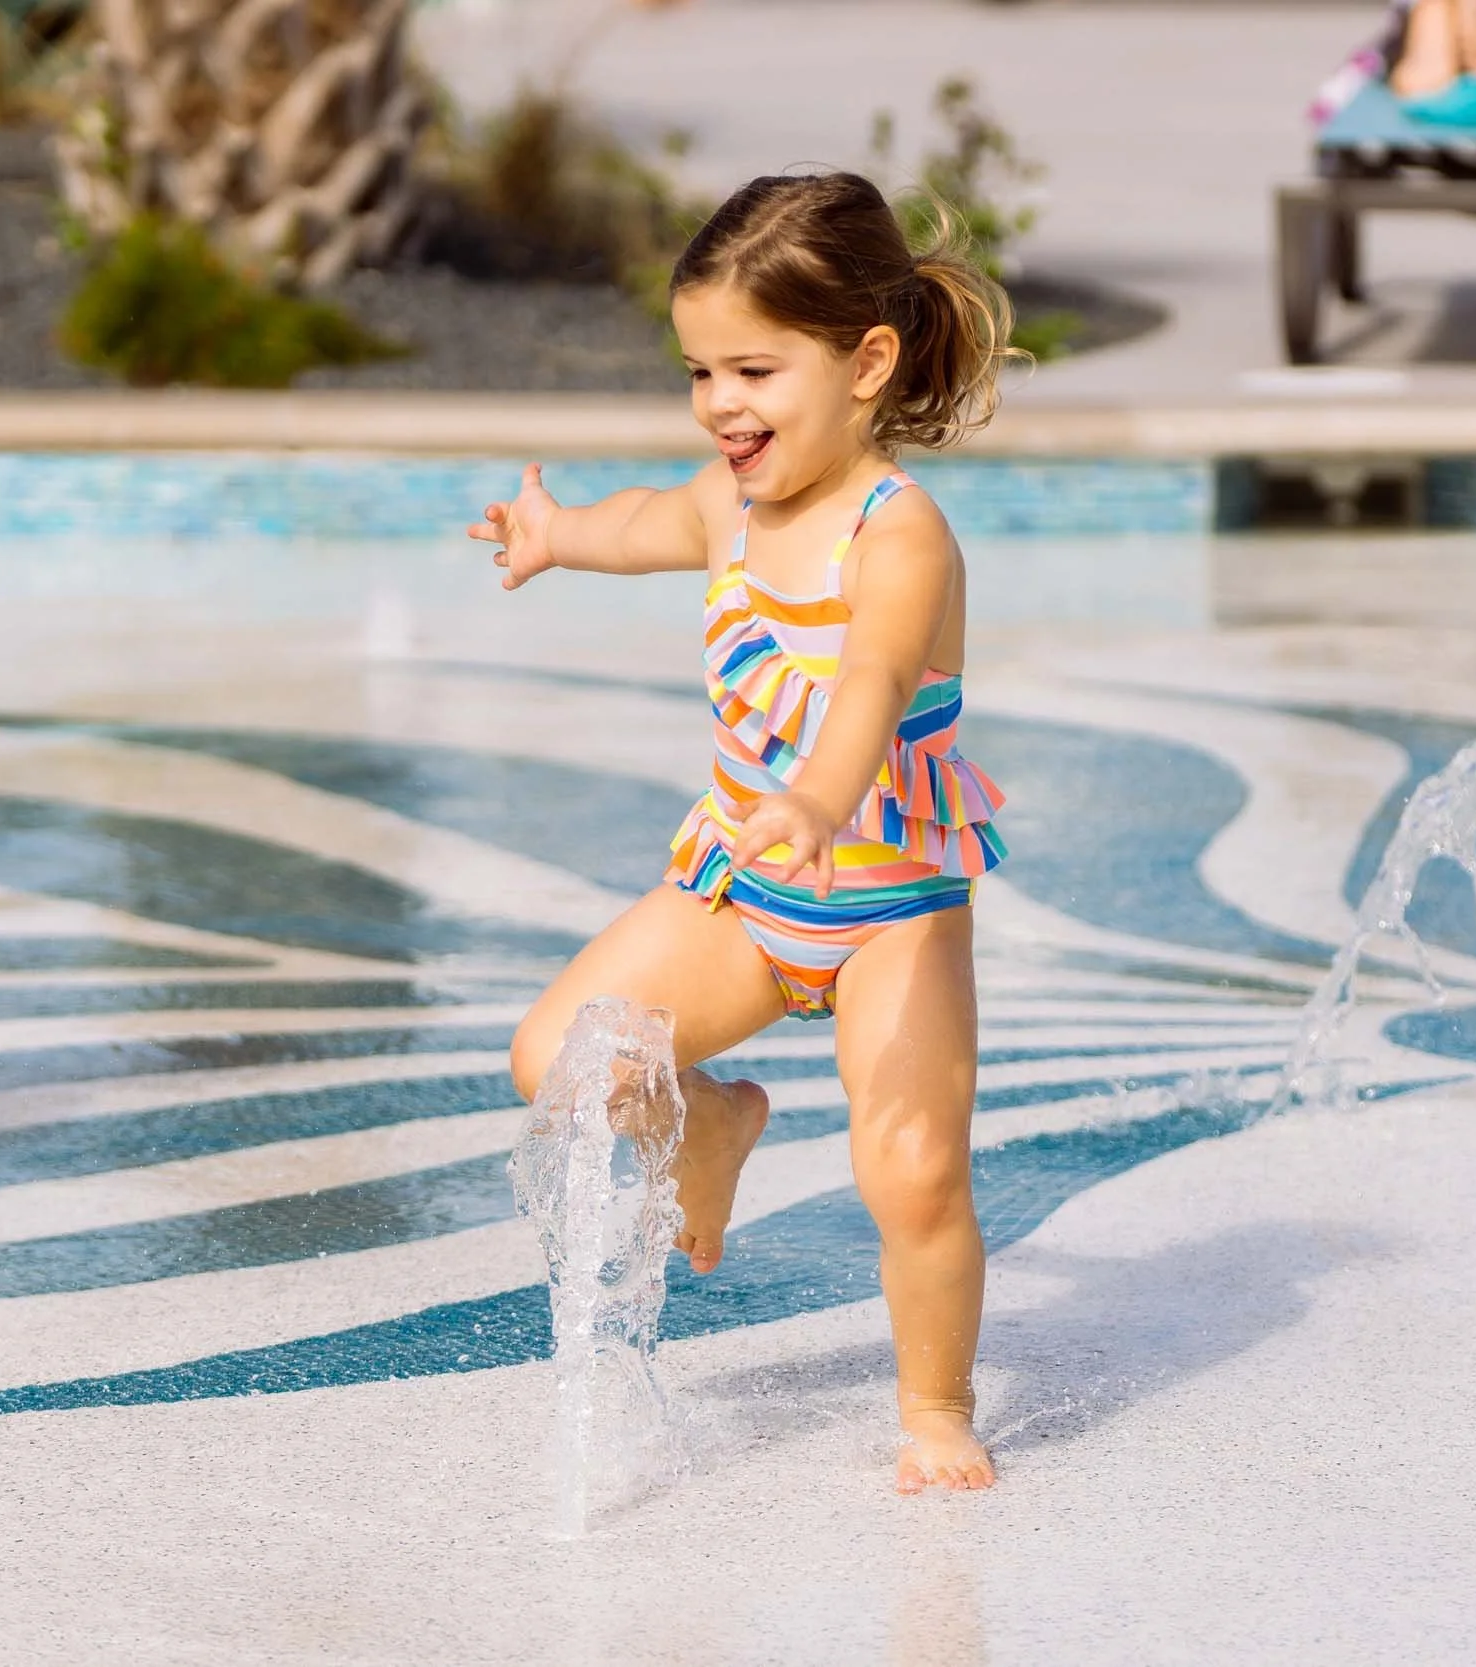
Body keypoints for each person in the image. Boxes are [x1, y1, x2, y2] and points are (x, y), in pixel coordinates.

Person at [469, 172, 1013, 1494]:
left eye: (755, 369)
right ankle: (710, 1117)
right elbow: (646, 522)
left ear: (868, 362)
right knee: (560, 1058)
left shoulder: (902, 534)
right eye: (701, 370)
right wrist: (556, 533)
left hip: (886, 903)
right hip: (742, 887)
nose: (721, 403)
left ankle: (935, 1404)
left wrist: (822, 799)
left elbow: (876, 679)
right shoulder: (730, 504)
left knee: (917, 1168)